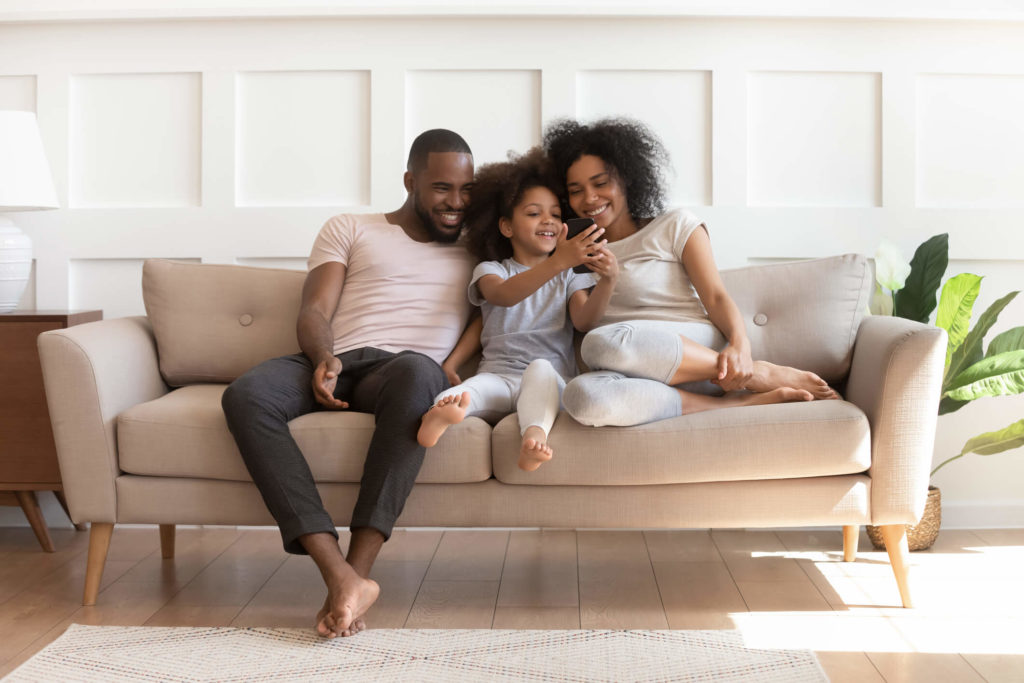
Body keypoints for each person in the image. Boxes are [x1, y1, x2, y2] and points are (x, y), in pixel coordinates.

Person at [221, 129, 477, 639]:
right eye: (442, 188)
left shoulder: (481, 247)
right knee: (245, 395)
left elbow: (509, 302)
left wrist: (455, 362)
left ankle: (353, 580)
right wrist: (323, 358)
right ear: (410, 181)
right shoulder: (351, 228)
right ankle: (339, 574)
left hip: (404, 370)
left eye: (467, 190)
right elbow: (314, 308)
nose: (456, 202)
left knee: (418, 373)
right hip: (336, 358)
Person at [541, 118, 838, 427]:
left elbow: (716, 296)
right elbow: (583, 321)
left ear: (627, 178)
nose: (589, 198)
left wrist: (741, 347)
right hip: (631, 370)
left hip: (693, 353)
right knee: (582, 396)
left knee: (599, 343)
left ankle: (759, 374)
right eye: (576, 190)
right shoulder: (572, 253)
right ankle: (733, 406)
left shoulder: (675, 225)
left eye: (601, 183)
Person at [416, 147, 618, 472]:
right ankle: (442, 413)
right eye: (534, 213)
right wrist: (452, 364)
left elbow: (584, 320)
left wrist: (607, 281)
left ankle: (533, 438)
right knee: (471, 392)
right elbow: (501, 301)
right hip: (498, 374)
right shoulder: (492, 270)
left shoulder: (569, 274)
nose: (548, 220)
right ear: (506, 227)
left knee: (539, 368)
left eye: (555, 213)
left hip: (547, 380)